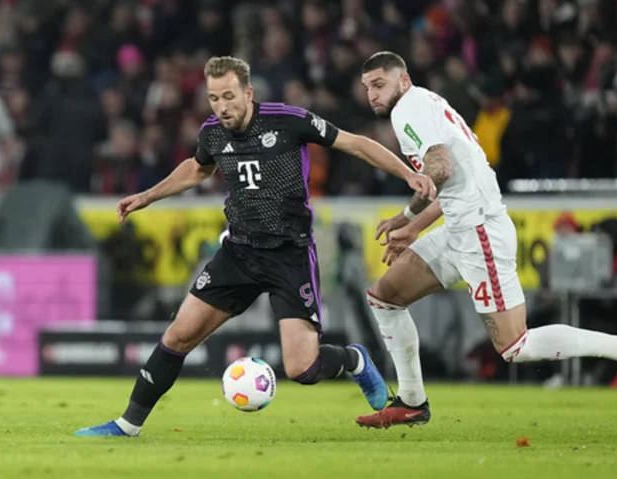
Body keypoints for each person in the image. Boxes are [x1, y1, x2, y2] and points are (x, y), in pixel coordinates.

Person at [74, 56, 436, 437]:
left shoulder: (288, 120)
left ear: (248, 93)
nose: (222, 107)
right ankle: (127, 425)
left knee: (302, 369)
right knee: (178, 335)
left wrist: (407, 174)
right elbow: (197, 168)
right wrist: (147, 196)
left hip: (289, 255)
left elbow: (356, 144)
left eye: (229, 96)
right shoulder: (212, 133)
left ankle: (353, 360)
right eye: (214, 99)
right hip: (239, 253)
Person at [355, 52, 617, 429]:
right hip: (460, 228)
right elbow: (458, 181)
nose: (372, 94)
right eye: (367, 88)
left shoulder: (407, 110)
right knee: (384, 297)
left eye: (379, 84)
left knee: (515, 347)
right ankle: (412, 401)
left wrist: (410, 205)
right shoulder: (428, 103)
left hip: (479, 233)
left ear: (402, 81)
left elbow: (441, 168)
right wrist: (413, 223)